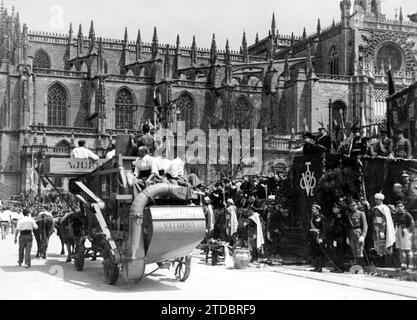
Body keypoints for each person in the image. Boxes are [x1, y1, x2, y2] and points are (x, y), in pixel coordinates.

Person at [371, 193, 396, 263]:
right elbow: (375, 219)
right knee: (378, 245)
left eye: (377, 199)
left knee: (384, 245)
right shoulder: (375, 208)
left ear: (381, 200)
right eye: (375, 199)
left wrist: (382, 230)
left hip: (382, 229)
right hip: (376, 228)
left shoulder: (384, 208)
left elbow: (384, 220)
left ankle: (387, 261)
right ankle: (381, 260)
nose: (375, 200)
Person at [346, 199, 368, 265]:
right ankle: (355, 267)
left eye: (354, 205)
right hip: (351, 234)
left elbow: (365, 225)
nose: (353, 207)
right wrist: (347, 236)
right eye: (351, 205)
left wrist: (363, 236)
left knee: (360, 250)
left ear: (357, 205)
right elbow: (348, 226)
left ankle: (361, 267)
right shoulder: (349, 214)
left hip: (359, 233)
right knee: (353, 250)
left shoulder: (361, 213)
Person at [395, 201, 415, 270]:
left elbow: (412, 223)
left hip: (406, 232)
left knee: (408, 250)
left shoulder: (407, 214)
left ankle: (410, 266)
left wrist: (409, 230)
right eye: (398, 206)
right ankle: (403, 266)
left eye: (401, 206)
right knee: (401, 250)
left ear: (403, 207)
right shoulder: (397, 214)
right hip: (399, 232)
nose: (400, 207)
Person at [327, 203, 347, 271]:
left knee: (340, 252)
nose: (333, 209)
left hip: (340, 237)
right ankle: (336, 267)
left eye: (334, 208)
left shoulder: (341, 217)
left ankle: (340, 267)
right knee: (335, 252)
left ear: (338, 209)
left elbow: (340, 228)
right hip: (335, 237)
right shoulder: (334, 216)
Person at [309, 204, 326, 272]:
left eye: (313, 209)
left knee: (319, 252)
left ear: (317, 210)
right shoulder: (312, 217)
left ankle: (319, 267)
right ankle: (316, 266)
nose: (312, 210)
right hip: (313, 237)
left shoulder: (322, 217)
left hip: (319, 237)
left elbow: (324, 229)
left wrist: (321, 238)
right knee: (315, 252)